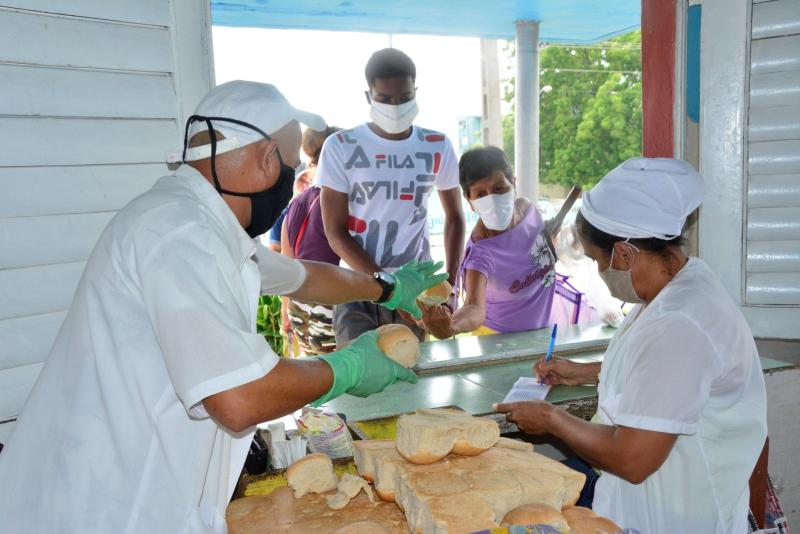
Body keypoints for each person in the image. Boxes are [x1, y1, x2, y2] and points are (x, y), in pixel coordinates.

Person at [0, 81, 446, 533]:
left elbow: (307, 277)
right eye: (292, 167)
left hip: (130, 490)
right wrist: (346, 368)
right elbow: (240, 397)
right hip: (100, 507)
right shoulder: (177, 231)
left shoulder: (201, 223)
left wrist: (385, 289)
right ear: (268, 160)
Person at [494, 158, 768, 533]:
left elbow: (632, 459)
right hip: (653, 505)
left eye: (595, 259)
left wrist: (552, 419)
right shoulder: (680, 283)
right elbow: (666, 380)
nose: (598, 270)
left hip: (677, 516)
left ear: (623, 254)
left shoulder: (679, 324)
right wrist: (584, 373)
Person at [316, 48, 465, 347]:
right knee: (359, 379)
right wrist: (388, 287)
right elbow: (334, 232)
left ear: (416, 92)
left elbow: (456, 219)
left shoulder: (437, 145)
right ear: (368, 96)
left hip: (416, 289)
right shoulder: (341, 146)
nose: (395, 106)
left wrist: (450, 285)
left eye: (404, 98)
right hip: (357, 287)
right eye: (384, 99)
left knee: (410, 377)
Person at [419, 146, 557, 338]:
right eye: (481, 194)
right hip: (499, 344)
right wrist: (450, 327)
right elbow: (474, 308)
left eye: (500, 189)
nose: (492, 200)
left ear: (514, 185)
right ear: (469, 201)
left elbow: (544, 250)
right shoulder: (481, 252)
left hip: (545, 331)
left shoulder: (528, 212)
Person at [280, 126, 342, 356]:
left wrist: (285, 310)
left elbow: (287, 261)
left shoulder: (298, 201)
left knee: (315, 376)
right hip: (329, 305)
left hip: (300, 306)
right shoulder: (339, 200)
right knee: (340, 381)